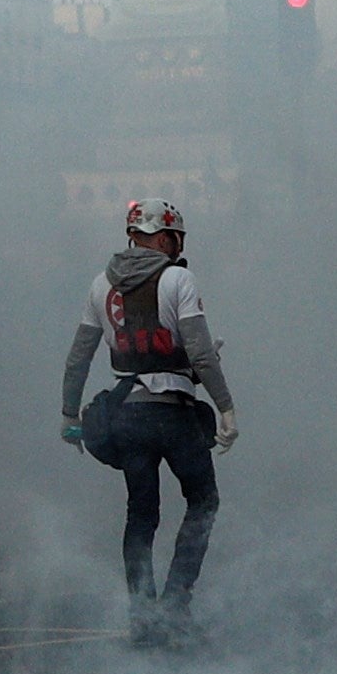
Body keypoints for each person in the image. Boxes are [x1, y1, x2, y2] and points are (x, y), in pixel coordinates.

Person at [63, 199, 238, 643]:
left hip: (127, 416)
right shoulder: (177, 277)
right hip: (174, 412)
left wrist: (69, 413)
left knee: (141, 517)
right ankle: (175, 607)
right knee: (203, 501)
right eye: (176, 239)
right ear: (164, 237)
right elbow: (198, 353)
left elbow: (79, 357)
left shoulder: (100, 284)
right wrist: (226, 408)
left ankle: (142, 617)